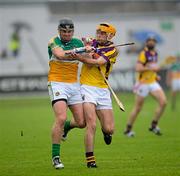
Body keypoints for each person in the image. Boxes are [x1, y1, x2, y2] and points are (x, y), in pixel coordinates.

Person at [71, 23, 119, 168]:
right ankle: (90, 160)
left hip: (103, 89)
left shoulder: (113, 50)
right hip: (87, 87)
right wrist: (86, 44)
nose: (99, 35)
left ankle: (105, 132)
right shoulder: (93, 42)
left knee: (109, 128)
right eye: (98, 32)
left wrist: (81, 57)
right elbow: (84, 39)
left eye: (103, 33)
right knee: (91, 124)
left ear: (110, 35)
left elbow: (96, 62)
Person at [47, 18, 86, 169]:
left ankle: (67, 128)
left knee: (82, 122)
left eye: (70, 31)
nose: (67, 34)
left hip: (74, 85)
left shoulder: (79, 43)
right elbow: (60, 55)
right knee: (61, 117)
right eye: (64, 31)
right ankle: (56, 157)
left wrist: (92, 49)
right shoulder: (53, 41)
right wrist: (79, 51)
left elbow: (88, 59)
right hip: (57, 83)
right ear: (59, 31)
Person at [124, 35, 167, 137]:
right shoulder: (144, 54)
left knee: (163, 102)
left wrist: (155, 75)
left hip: (152, 82)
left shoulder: (155, 53)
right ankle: (128, 129)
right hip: (143, 83)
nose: (151, 42)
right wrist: (151, 67)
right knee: (138, 108)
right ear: (146, 42)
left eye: (153, 41)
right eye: (149, 41)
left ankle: (153, 125)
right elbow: (138, 68)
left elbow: (153, 69)